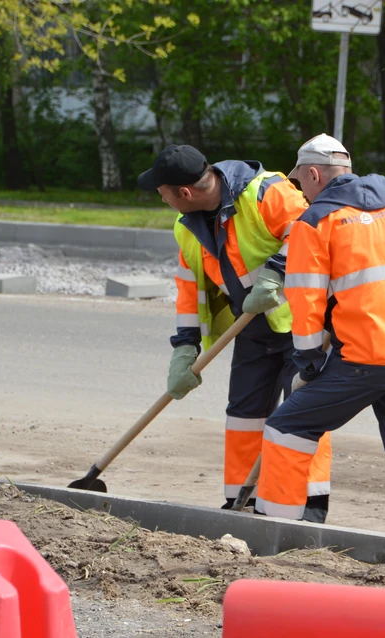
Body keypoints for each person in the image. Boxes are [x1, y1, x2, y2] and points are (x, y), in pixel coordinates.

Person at [254, 134, 385, 539]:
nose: (300, 191)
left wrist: (309, 362)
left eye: (301, 183)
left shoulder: (315, 222)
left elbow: (305, 300)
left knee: (286, 428)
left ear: (314, 174)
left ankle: (275, 534)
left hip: (364, 362)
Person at [137, 144, 331, 522]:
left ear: (185, 193)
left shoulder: (266, 192)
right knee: (243, 413)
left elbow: (313, 228)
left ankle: (308, 505)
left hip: (303, 324)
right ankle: (240, 502)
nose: (163, 200)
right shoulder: (186, 227)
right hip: (254, 328)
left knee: (301, 411)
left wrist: (276, 270)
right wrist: (185, 348)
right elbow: (189, 290)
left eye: (163, 194)